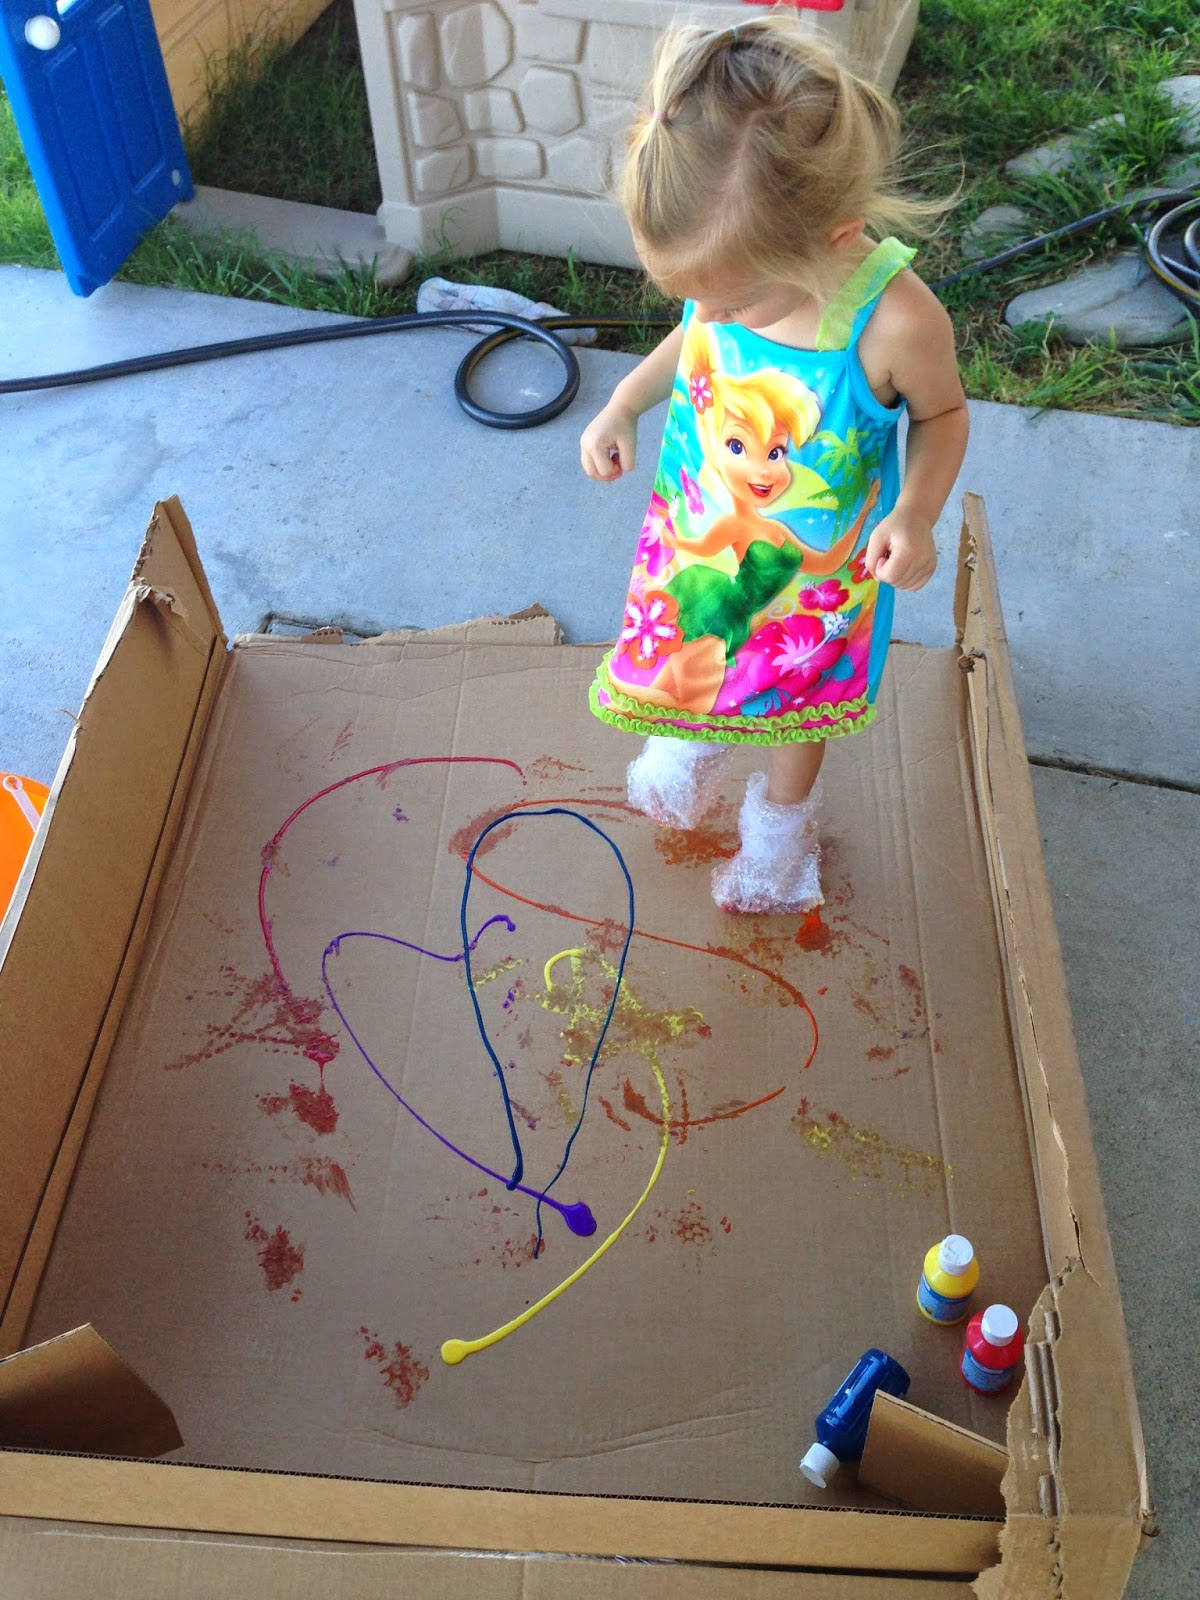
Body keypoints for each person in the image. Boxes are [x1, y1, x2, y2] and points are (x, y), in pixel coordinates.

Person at [581, 14, 969, 915]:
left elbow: (943, 416)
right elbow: (690, 344)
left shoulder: (893, 323)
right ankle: (696, 738)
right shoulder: (726, 288)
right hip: (704, 536)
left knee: (798, 706)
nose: (707, 316)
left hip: (814, 582)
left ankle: (781, 839)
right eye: (690, 296)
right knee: (695, 642)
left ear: (833, 237)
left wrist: (914, 513)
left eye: (730, 297)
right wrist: (624, 401)